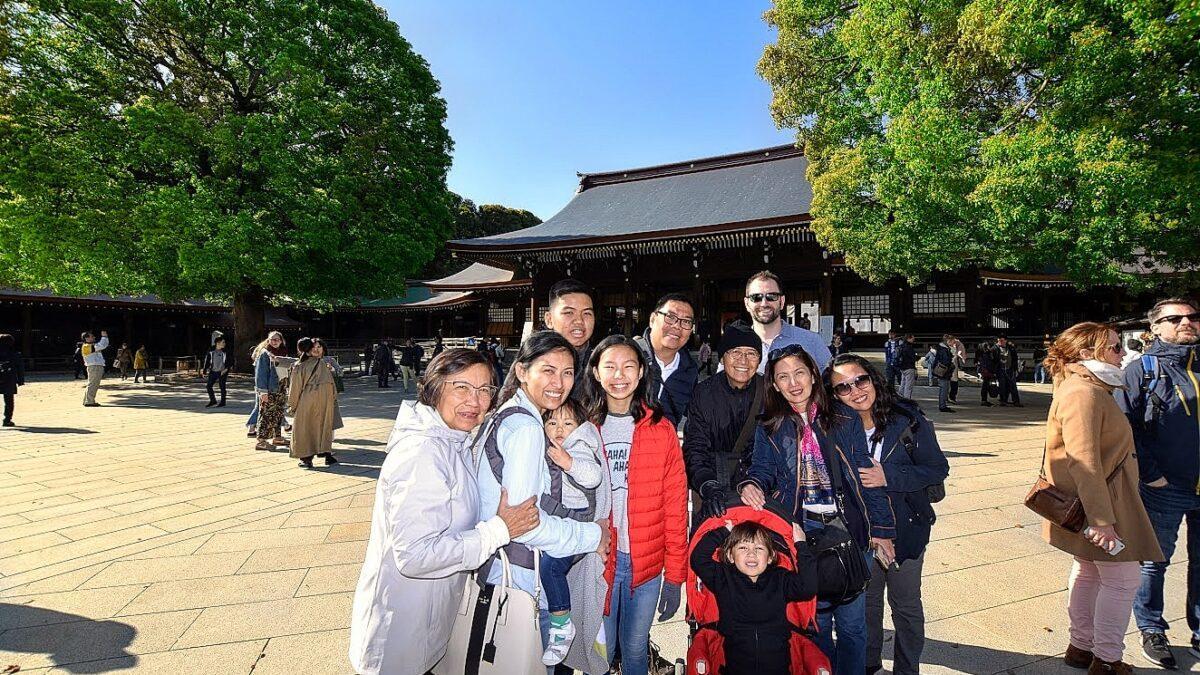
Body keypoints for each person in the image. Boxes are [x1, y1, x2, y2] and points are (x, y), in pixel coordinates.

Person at [348, 348, 541, 675]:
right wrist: (499, 529)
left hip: (423, 622)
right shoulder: (424, 451)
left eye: (484, 390)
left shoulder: (453, 439)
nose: (475, 401)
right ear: (435, 388)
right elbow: (415, 555)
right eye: (461, 387)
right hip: (401, 633)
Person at [739, 344, 896, 674]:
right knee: (815, 624)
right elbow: (762, 471)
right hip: (802, 534)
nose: (793, 383)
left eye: (799, 373)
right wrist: (751, 484)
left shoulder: (842, 417)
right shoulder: (770, 426)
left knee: (853, 625)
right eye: (783, 377)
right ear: (775, 385)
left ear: (812, 374)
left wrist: (881, 530)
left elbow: (865, 475)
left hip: (848, 531)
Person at [473, 331, 611, 670]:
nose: (559, 382)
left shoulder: (512, 415)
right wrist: (594, 535)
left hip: (502, 570)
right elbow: (525, 524)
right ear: (522, 371)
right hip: (519, 579)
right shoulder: (526, 428)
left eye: (567, 373)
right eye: (547, 370)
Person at [1043, 322, 1164, 675]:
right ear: (1085, 353)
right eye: (1113, 347)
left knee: (1089, 571)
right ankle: (1108, 658)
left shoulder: (1083, 385)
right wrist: (1102, 520)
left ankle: (1082, 647)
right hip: (1104, 501)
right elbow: (1084, 461)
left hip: (1096, 498)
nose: (1122, 353)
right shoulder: (1085, 392)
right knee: (1123, 579)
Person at [826, 354, 950, 675]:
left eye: (860, 380)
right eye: (843, 388)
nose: (855, 391)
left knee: (905, 606)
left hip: (906, 528)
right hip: (859, 534)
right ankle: (869, 665)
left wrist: (888, 476)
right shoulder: (834, 429)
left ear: (873, 378)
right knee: (866, 604)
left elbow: (937, 468)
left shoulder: (907, 419)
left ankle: (907, 670)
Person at [587, 334, 688, 675]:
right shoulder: (583, 427)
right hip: (597, 563)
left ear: (643, 372)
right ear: (596, 373)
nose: (620, 375)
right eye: (610, 366)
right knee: (599, 651)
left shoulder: (660, 429)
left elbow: (675, 507)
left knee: (634, 651)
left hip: (645, 564)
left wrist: (675, 576)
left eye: (629, 366)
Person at [1117, 298, 1200, 670]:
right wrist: (1151, 472)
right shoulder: (1142, 370)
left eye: (1193, 317)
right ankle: (1152, 627)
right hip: (1165, 485)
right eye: (1175, 318)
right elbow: (1126, 427)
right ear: (1154, 328)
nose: (1187, 323)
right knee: (1154, 560)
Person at [689, 520, 822, 675]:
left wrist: (801, 546)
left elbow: (808, 588)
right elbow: (698, 559)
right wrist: (723, 531)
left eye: (759, 548)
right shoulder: (724, 578)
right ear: (730, 555)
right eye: (743, 547)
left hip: (778, 668)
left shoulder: (780, 579)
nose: (751, 553)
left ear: (771, 557)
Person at [539, 398, 604, 665]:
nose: (559, 429)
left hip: (577, 523)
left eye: (567, 423)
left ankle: (561, 623)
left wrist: (569, 463)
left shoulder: (579, 445)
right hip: (563, 522)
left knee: (551, 568)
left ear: (580, 426)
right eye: (552, 422)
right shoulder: (550, 445)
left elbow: (593, 476)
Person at [683, 322, 764, 519]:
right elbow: (695, 446)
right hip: (712, 483)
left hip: (756, 489)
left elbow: (773, 449)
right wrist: (707, 484)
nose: (743, 360)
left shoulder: (769, 391)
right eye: (735, 352)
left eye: (751, 353)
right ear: (723, 357)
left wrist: (754, 481)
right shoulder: (704, 393)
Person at [743, 270, 831, 373]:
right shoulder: (735, 345)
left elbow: (831, 383)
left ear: (782, 301)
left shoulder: (812, 341)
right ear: (747, 303)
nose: (764, 303)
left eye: (771, 296)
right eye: (756, 297)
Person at [634, 292, 699, 427]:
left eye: (686, 321)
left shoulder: (689, 371)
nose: (677, 326)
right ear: (652, 319)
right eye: (670, 317)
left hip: (663, 445)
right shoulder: (628, 355)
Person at [288, 337, 341, 469]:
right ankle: (316, 455)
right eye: (313, 348)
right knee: (316, 426)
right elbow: (296, 388)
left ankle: (312, 456)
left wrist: (292, 405)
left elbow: (295, 388)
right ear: (308, 350)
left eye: (319, 347)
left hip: (316, 401)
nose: (316, 350)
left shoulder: (309, 365)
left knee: (310, 427)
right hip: (318, 400)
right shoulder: (309, 365)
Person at [543, 278, 597, 403]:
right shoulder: (532, 360)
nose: (579, 320)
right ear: (549, 319)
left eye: (587, 313)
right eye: (569, 313)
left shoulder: (601, 363)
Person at [253, 331, 290, 451]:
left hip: (281, 387)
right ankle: (261, 441)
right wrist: (263, 391)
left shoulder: (283, 353)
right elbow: (260, 374)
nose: (275, 342)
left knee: (279, 413)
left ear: (281, 340)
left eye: (277, 339)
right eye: (272, 339)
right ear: (268, 340)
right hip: (269, 388)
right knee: (266, 414)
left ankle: (277, 437)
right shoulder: (264, 354)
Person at [0, 334, 25, 427]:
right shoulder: (14, 354)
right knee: (9, 400)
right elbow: (20, 368)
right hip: (9, 379)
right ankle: (7, 419)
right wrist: (21, 380)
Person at [80, 330, 109, 406]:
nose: (94, 337)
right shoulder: (86, 346)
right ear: (87, 338)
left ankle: (87, 400)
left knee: (92, 384)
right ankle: (89, 401)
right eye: (92, 336)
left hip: (94, 366)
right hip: (94, 366)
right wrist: (104, 337)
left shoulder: (88, 346)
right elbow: (102, 345)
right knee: (93, 384)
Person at [995, 335, 1023, 407]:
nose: (1000, 342)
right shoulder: (995, 348)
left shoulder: (1011, 348)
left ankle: (1016, 401)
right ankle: (1003, 401)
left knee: (1013, 386)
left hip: (1010, 369)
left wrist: (1016, 369)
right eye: (999, 340)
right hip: (1000, 370)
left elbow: (1015, 359)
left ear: (1005, 341)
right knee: (1002, 386)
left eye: (1001, 340)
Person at [202, 337, 230, 408]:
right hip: (213, 371)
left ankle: (222, 402)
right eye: (223, 342)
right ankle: (213, 400)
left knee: (222, 387)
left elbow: (230, 361)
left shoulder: (226, 351)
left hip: (222, 371)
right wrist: (204, 370)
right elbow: (207, 360)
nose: (224, 344)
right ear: (218, 343)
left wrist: (226, 370)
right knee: (209, 386)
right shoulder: (211, 350)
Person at [932, 335, 957, 413]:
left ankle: (943, 405)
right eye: (953, 341)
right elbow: (946, 361)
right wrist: (951, 363)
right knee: (944, 388)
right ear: (948, 341)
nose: (953, 343)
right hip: (944, 371)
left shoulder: (942, 348)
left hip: (943, 371)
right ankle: (942, 406)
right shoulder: (944, 349)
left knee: (944, 388)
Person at [897, 334, 918, 399]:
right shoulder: (909, 347)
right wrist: (917, 357)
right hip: (909, 367)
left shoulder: (901, 346)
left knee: (903, 383)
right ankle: (907, 399)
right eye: (912, 338)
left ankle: (900, 397)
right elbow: (912, 357)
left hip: (902, 367)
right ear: (908, 338)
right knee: (908, 385)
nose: (913, 340)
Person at [946, 335, 966, 404]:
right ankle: (950, 397)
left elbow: (958, 354)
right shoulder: (947, 347)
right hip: (948, 368)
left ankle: (951, 397)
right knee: (950, 383)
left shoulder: (957, 345)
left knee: (953, 383)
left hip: (952, 368)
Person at [977, 341, 997, 406]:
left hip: (985, 371)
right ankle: (984, 400)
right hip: (986, 371)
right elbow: (988, 364)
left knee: (985, 385)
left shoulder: (983, 353)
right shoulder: (986, 354)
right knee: (985, 386)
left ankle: (984, 400)